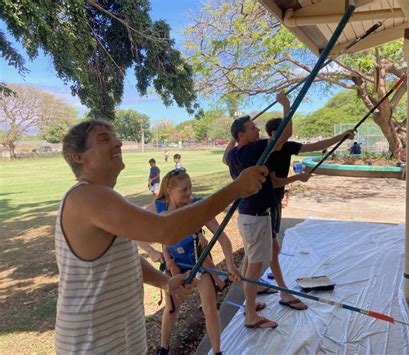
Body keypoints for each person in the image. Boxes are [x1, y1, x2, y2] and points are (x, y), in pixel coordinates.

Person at [55, 119, 268, 354]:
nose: (118, 143)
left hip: (117, 338)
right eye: (105, 139)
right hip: (92, 343)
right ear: (79, 157)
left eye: (114, 137)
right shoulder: (86, 196)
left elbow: (123, 260)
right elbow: (166, 230)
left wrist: (164, 282)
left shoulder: (103, 197)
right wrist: (235, 189)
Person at [223, 92, 307, 330]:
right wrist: (286, 104)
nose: (257, 130)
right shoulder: (255, 149)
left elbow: (224, 155)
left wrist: (236, 132)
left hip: (252, 216)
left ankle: (262, 300)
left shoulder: (233, 155)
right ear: (242, 135)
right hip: (256, 218)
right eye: (252, 128)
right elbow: (286, 134)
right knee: (254, 267)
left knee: (271, 251)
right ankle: (250, 314)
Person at [139, 169, 241, 355]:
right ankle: (164, 348)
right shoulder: (158, 206)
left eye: (190, 188)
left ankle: (217, 351)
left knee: (210, 308)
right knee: (170, 309)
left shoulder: (197, 207)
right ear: (170, 190)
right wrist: (153, 252)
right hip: (174, 265)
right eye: (184, 190)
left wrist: (231, 265)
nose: (189, 193)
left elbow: (223, 239)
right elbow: (135, 232)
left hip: (198, 264)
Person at [264, 118, 355, 297]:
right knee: (271, 246)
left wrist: (341, 137)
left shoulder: (288, 147)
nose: (289, 133)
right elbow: (274, 182)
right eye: (285, 130)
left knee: (271, 244)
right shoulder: (269, 152)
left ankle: (265, 279)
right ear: (274, 134)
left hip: (276, 200)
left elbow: (315, 145)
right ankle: (280, 288)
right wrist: (298, 178)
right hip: (266, 202)